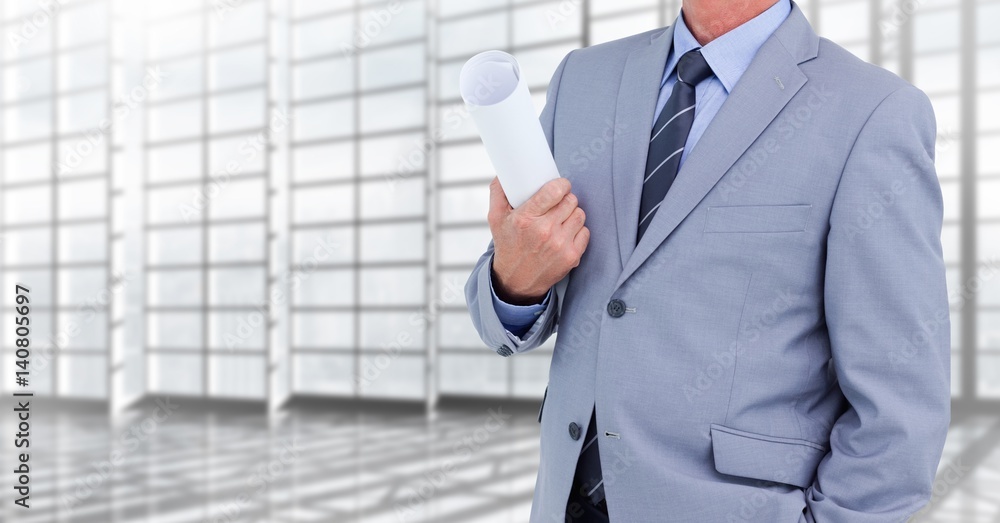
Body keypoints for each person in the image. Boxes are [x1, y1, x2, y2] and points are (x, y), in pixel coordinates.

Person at [464, 0, 951, 521]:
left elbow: (900, 409)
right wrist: (513, 283)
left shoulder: (872, 112)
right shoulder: (581, 80)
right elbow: (508, 319)